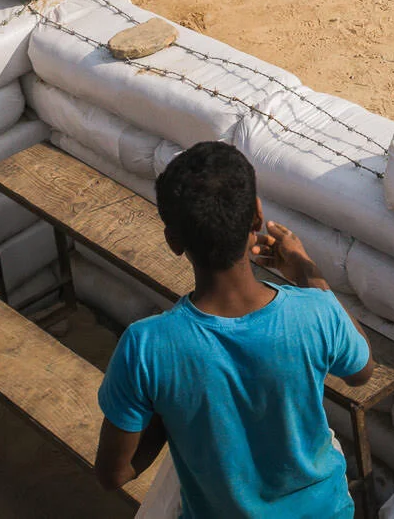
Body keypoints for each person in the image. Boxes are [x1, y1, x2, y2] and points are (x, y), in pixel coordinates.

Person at [94, 142, 372, 518]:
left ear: (173, 242)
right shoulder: (315, 312)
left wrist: (171, 410)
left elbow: (113, 474)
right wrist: (307, 269)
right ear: (257, 216)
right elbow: (362, 371)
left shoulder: (146, 347)